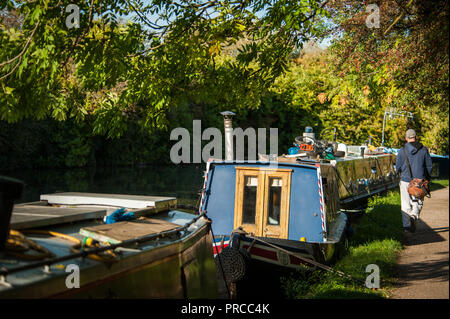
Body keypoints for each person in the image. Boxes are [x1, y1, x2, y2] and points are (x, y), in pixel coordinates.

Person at [395, 129, 433, 233]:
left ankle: (407, 227)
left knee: (405, 203)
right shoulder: (424, 150)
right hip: (420, 181)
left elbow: (397, 167)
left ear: (406, 138)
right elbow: (429, 166)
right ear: (416, 137)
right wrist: (427, 178)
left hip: (405, 181)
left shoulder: (402, 150)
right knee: (418, 201)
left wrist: (401, 172)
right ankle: (414, 215)